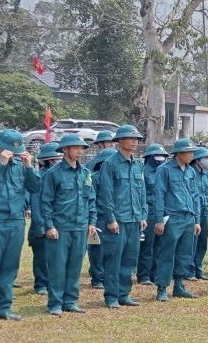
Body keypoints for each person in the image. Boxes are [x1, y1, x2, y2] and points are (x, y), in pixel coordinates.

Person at [0, 129, 41, 323]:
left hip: (16, 221)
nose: (13, 153)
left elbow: (35, 188)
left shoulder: (20, 164)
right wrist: (0, 165)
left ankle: (5, 306)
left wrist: (29, 167)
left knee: (10, 266)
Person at [39, 134, 96, 315]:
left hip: (80, 226)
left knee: (75, 266)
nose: (80, 151)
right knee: (57, 266)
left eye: (82, 148)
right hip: (60, 227)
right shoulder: (53, 174)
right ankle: (55, 302)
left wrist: (91, 222)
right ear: (65, 149)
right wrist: (49, 226)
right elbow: (45, 202)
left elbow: (91, 200)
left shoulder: (86, 173)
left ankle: (70, 300)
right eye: (76, 148)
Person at [94, 124, 148, 308]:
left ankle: (124, 294)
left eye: (137, 139)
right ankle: (111, 296)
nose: (134, 142)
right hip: (118, 219)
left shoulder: (138, 165)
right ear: (120, 141)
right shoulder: (110, 164)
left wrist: (142, 215)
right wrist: (110, 219)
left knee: (129, 259)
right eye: (130, 138)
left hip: (134, 219)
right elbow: (106, 193)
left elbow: (142, 192)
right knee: (113, 259)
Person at [152, 138, 201, 301]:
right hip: (172, 217)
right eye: (189, 152)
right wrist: (159, 219)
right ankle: (162, 288)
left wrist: (197, 219)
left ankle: (179, 285)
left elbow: (195, 196)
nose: (192, 155)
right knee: (167, 253)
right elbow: (159, 194)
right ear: (179, 153)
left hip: (188, 217)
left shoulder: (190, 171)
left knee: (185, 253)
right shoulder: (164, 170)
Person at [28, 142, 62, 295]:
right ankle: (41, 283)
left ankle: (52, 282)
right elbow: (36, 203)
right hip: (41, 224)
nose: (58, 161)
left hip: (58, 222)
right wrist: (40, 226)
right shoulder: (39, 177)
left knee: (55, 257)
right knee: (41, 256)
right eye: (55, 159)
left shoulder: (61, 174)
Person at [86, 128, 116, 289]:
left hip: (114, 213)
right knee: (96, 246)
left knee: (111, 247)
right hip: (98, 214)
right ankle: (97, 275)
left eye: (112, 142)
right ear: (99, 144)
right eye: (108, 142)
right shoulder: (92, 167)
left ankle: (106, 274)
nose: (110, 144)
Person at [138, 142, 169, 286]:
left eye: (163, 156)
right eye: (157, 156)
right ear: (149, 157)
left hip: (164, 210)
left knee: (161, 244)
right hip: (149, 210)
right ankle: (144, 274)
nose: (160, 158)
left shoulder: (166, 170)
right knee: (148, 245)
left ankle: (155, 273)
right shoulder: (143, 172)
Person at [188, 147, 208, 281]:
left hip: (206, 209)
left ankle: (198, 268)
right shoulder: (190, 173)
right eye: (206, 158)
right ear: (198, 160)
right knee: (193, 240)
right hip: (194, 208)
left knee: (203, 240)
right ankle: (190, 270)